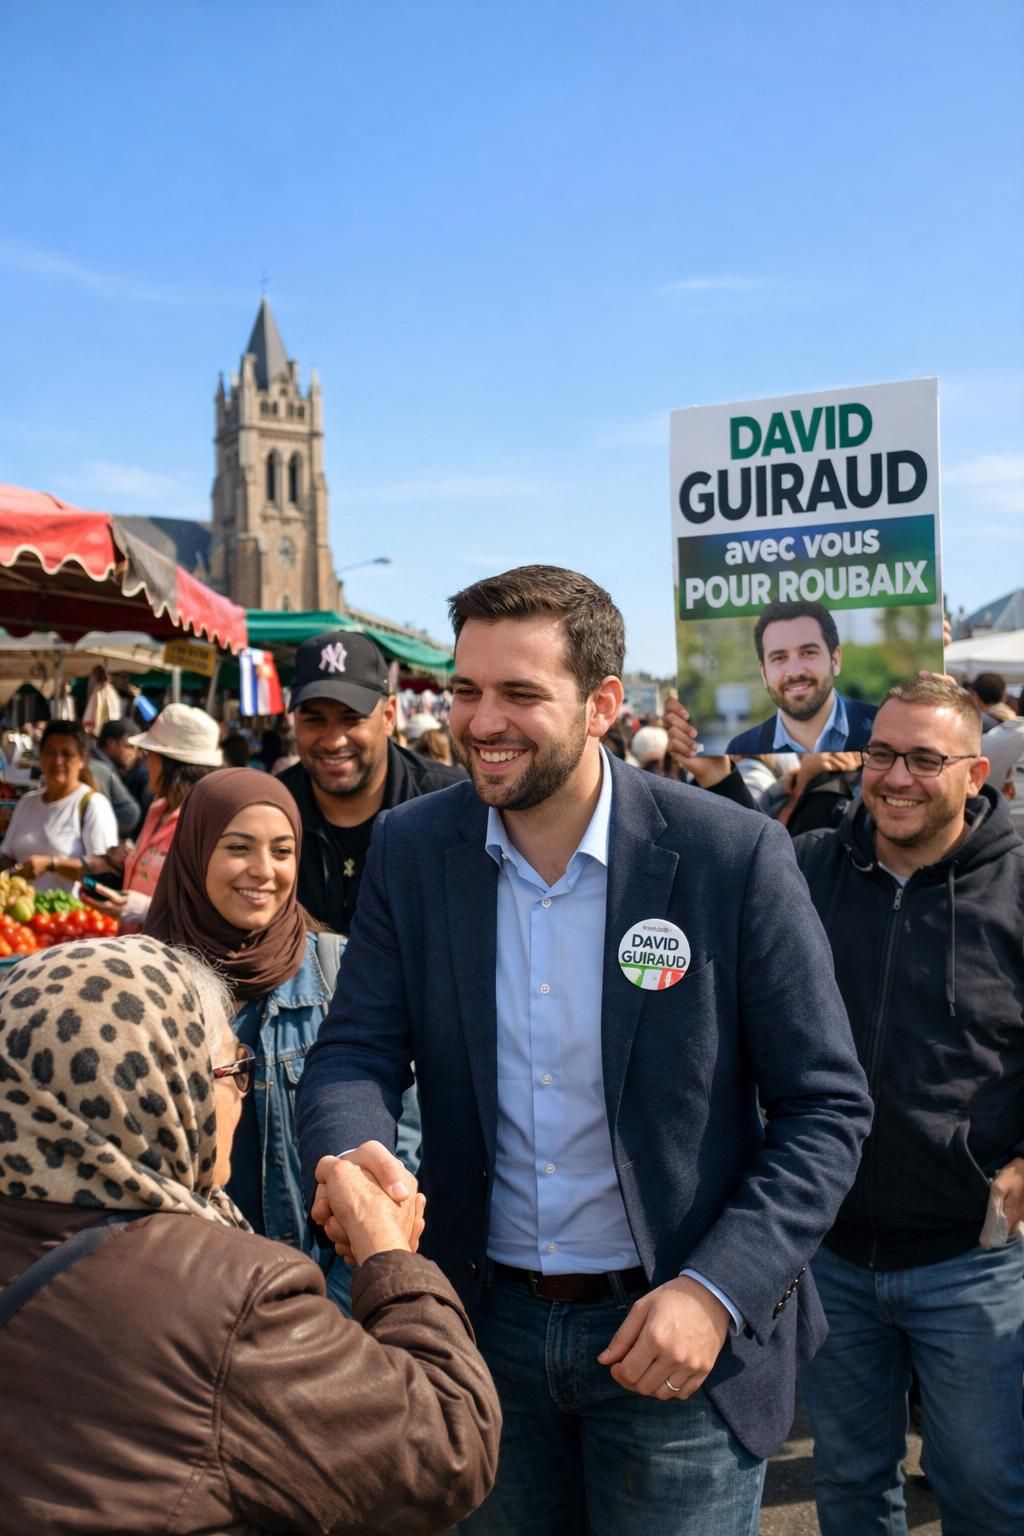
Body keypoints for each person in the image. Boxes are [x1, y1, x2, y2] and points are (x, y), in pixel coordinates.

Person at [298, 564, 872, 1536]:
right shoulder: (413, 847)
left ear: (603, 704)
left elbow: (825, 1107)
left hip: (674, 1340)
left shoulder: (729, 855)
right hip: (480, 1331)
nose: (482, 721)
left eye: (519, 693)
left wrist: (717, 1290)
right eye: (467, 690)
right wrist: (355, 1157)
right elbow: (355, 1048)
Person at [0, 935, 500, 1533]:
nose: (240, 1093)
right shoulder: (228, 1300)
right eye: (233, 1070)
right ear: (161, 1088)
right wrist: (389, 1254)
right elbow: (446, 1447)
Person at [793, 676, 1024, 1535]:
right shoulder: (808, 870)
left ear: (975, 774)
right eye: (882, 754)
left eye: (925, 760)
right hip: (827, 1251)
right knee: (850, 1486)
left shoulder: (1016, 887)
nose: (896, 777)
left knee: (986, 1490)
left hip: (971, 1257)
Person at [143, 767, 350, 1306]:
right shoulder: (141, 985)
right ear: (195, 852)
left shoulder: (340, 974)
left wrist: (338, 1307)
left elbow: (400, 1151)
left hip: (315, 1298)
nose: (263, 871)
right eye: (238, 848)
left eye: (282, 851)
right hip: (183, 1300)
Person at [279, 630, 464, 937]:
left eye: (352, 718)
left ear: (389, 716)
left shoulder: (452, 805)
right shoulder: (272, 809)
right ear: (295, 721)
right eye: (314, 719)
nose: (334, 740)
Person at [83, 704, 222, 932]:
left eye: (150, 755)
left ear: (171, 765)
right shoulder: (158, 809)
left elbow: (210, 911)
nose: (144, 761)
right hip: (133, 943)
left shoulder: (205, 822)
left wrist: (144, 908)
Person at [726, 600, 877, 754]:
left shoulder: (881, 728)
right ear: (763, 673)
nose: (795, 672)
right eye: (779, 658)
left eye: (808, 652)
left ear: (835, 661)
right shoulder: (741, 750)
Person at [0, 719, 118, 890]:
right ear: (40, 756)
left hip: (70, 907)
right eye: (50, 752)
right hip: (21, 905)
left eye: (67, 754)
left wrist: (52, 864)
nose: (57, 761)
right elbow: (8, 856)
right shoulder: (26, 802)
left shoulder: (94, 805)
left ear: (82, 760)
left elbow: (103, 867)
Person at [97, 716, 152, 823]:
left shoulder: (116, 769)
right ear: (110, 743)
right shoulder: (101, 771)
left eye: (136, 748)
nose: (134, 753)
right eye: (129, 746)